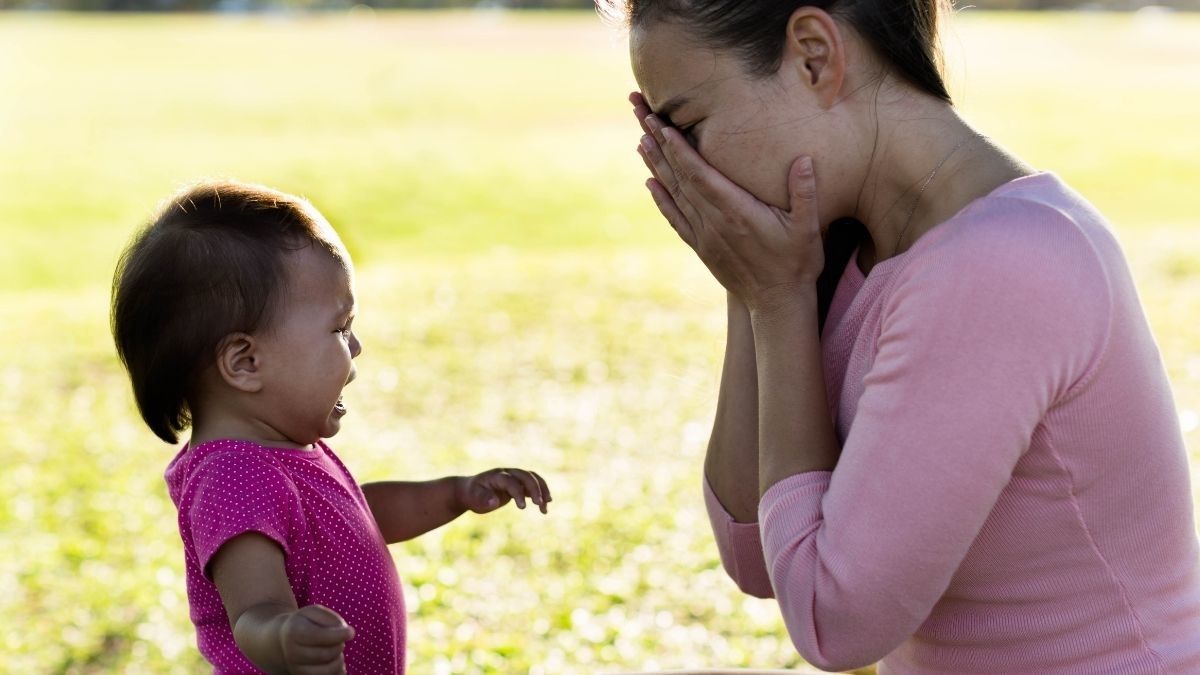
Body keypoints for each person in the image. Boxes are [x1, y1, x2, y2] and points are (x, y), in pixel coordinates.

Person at [601, 0, 1200, 672]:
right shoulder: (854, 247)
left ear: (814, 56)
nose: (681, 165)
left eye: (687, 127)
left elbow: (834, 622)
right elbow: (755, 553)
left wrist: (775, 300)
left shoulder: (1000, 263)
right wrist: (754, 286)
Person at [110, 181, 552, 674]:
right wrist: (284, 634)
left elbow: (354, 522)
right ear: (245, 362)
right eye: (340, 328)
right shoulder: (235, 476)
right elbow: (254, 611)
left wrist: (455, 494)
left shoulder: (280, 451)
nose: (356, 347)